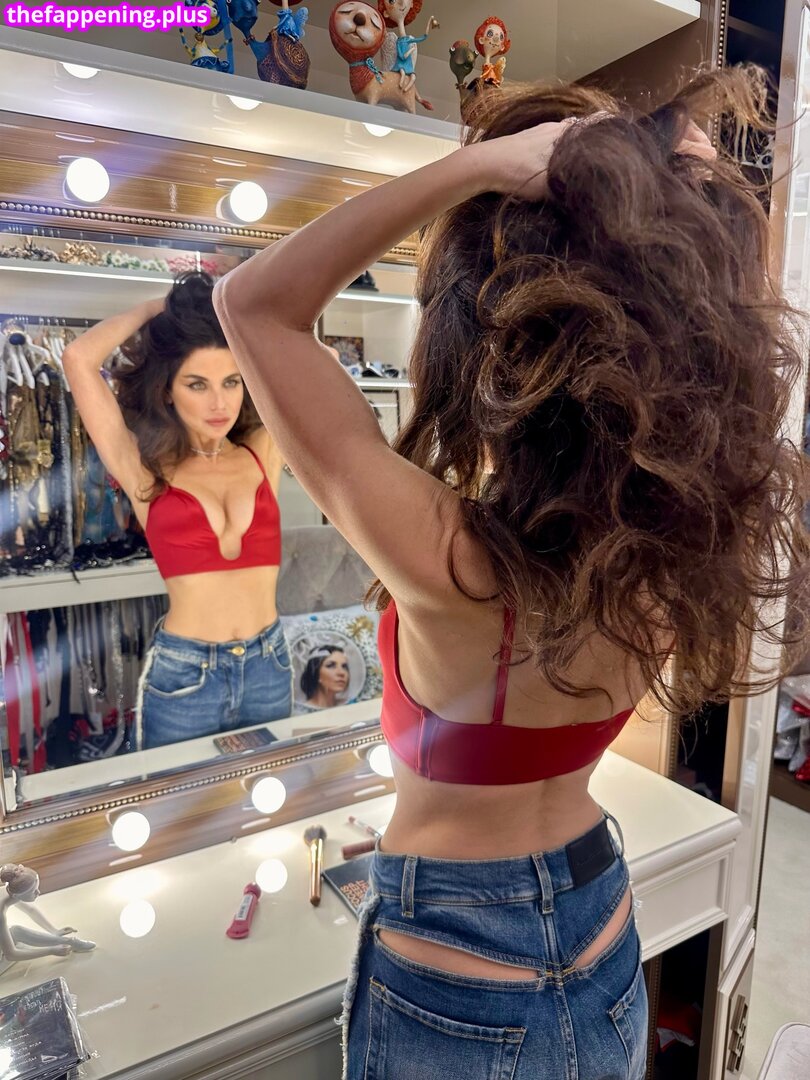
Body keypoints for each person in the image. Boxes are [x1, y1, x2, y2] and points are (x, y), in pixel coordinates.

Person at [211, 68, 809, 1080]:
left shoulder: (453, 564)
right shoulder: (676, 547)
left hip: (456, 973)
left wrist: (478, 167)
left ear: (488, 345)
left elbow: (253, 304)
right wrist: (686, 212)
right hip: (602, 925)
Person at [64, 272, 292, 750]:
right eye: (197, 384)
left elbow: (313, 359)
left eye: (231, 382)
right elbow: (79, 358)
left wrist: (228, 312)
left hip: (269, 662)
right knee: (179, 800)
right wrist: (159, 309)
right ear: (167, 390)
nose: (219, 402)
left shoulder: (262, 450)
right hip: (186, 675)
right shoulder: (144, 469)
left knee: (270, 795)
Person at [0, 864, 94, 972]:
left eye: (37, 888)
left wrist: (55, 931)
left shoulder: (9, 891)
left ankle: (71, 942)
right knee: (16, 934)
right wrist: (50, 951)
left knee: (16, 932)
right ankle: (71, 942)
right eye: (33, 891)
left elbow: (31, 910)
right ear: (16, 896)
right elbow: (11, 955)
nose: (38, 893)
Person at [301, 644, 351, 710]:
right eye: (331, 666)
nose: (341, 673)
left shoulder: (350, 705)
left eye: (344, 667)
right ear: (315, 673)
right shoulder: (301, 712)